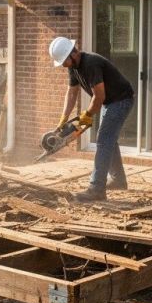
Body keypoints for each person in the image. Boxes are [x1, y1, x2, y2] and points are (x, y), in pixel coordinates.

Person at [49, 36, 134, 202]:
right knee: (108, 140)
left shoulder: (91, 64)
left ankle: (96, 189)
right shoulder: (73, 68)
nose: (63, 65)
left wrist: (86, 118)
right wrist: (63, 120)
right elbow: (72, 93)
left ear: (72, 55)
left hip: (121, 100)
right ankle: (118, 180)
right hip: (109, 102)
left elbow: (99, 96)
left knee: (103, 140)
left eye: (64, 62)